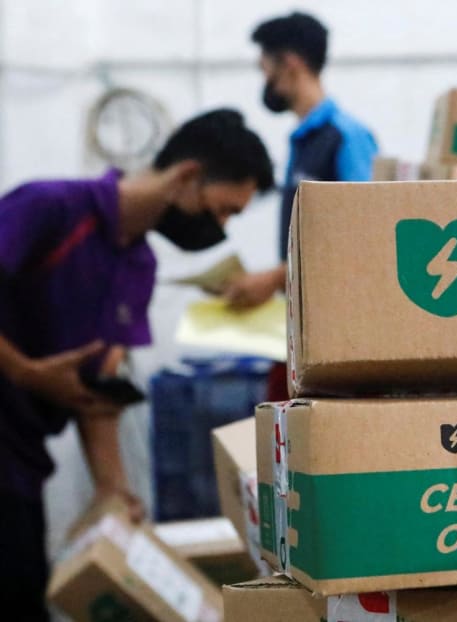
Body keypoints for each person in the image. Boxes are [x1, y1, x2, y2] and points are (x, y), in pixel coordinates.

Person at [0, 108, 274, 619]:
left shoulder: (138, 266)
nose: (219, 229)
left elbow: (100, 387)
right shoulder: (50, 207)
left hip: (20, 458)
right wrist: (23, 372)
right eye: (222, 211)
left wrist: (113, 490)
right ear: (188, 175)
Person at [223, 11, 378, 309]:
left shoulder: (346, 137)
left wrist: (274, 278)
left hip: (343, 312)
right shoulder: (302, 140)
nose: (265, 81)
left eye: (265, 69)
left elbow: (364, 235)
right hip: (311, 310)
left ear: (291, 64)